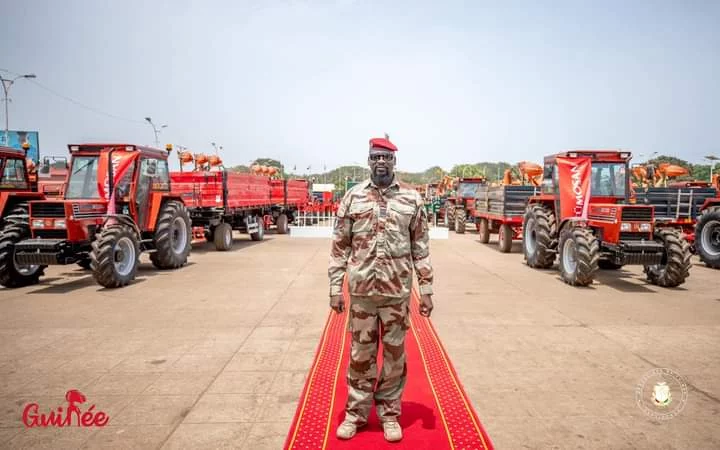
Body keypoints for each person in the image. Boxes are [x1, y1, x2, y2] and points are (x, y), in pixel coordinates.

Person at [328, 135, 435, 442]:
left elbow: (421, 248)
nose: (380, 163)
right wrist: (335, 288)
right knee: (360, 355)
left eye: (386, 158)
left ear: (394, 162)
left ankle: (389, 414)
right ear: (369, 161)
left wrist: (426, 289)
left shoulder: (412, 200)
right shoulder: (353, 197)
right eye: (375, 158)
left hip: (396, 293)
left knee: (393, 357)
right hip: (362, 293)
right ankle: (356, 415)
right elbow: (339, 247)